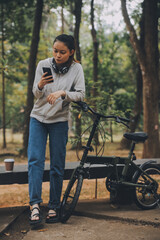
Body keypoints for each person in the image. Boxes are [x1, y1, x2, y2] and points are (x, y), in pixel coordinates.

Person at [28, 34, 85, 225]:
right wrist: (40, 85)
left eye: (62, 52)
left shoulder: (77, 69)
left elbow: (81, 94)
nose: (58, 55)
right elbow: (36, 93)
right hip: (38, 118)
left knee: (57, 165)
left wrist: (63, 93)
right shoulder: (43, 64)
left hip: (59, 120)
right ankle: (34, 205)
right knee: (35, 160)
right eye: (55, 51)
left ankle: (54, 206)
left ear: (71, 52)